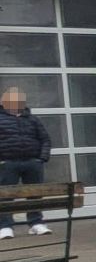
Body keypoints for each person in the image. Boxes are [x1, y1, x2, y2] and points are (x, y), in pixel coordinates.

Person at [0, 87, 52, 238]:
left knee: (35, 194)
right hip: (8, 163)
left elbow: (45, 140)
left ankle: (36, 223)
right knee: (6, 195)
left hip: (32, 163)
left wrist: (41, 159)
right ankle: (5, 226)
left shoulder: (33, 120)